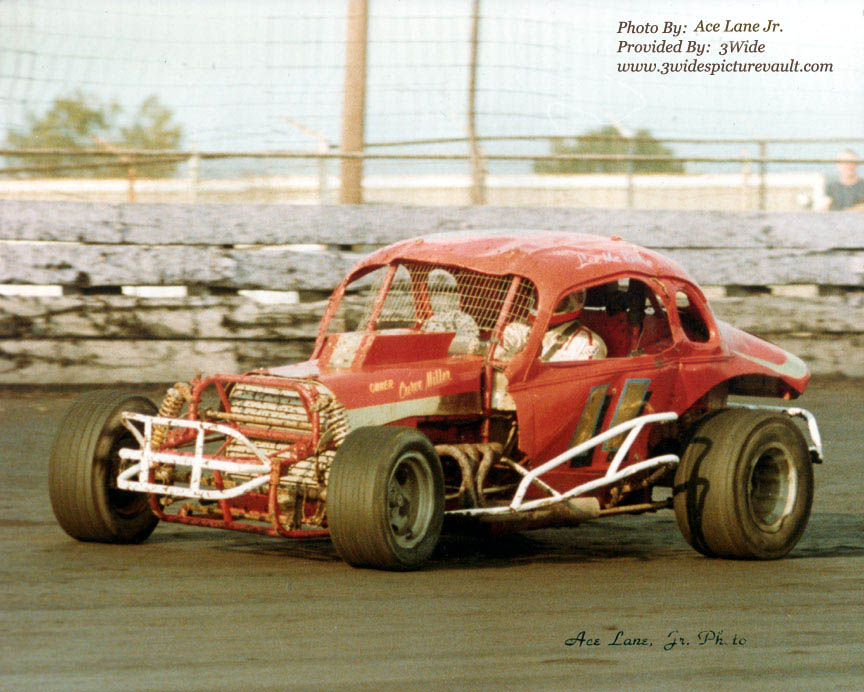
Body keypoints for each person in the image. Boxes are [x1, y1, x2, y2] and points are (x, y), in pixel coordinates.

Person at [498, 290, 606, 362]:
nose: (543, 298)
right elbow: (496, 355)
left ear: (573, 299)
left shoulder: (587, 343)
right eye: (540, 292)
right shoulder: (518, 327)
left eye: (553, 294)